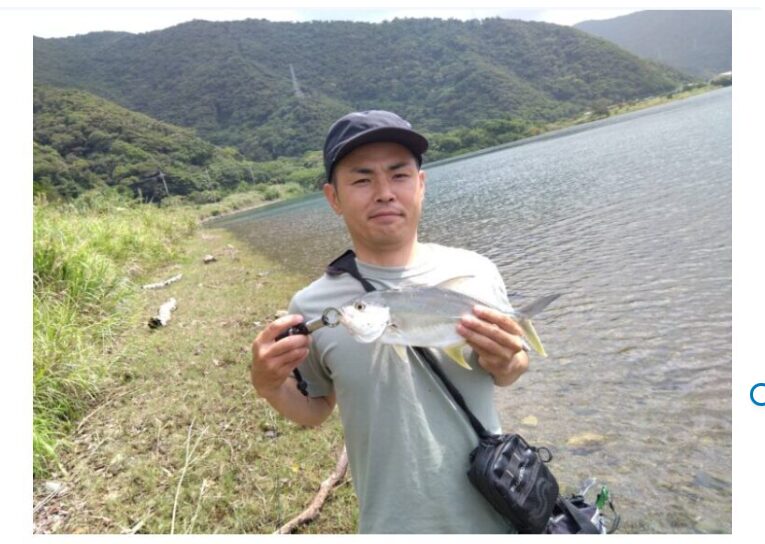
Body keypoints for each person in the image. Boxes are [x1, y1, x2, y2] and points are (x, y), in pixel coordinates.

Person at [250, 110, 530, 533]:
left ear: (421, 184)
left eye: (399, 175)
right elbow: (315, 409)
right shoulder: (312, 305)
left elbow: (511, 370)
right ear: (333, 198)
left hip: (497, 514)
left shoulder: (476, 272)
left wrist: (510, 362)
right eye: (362, 180)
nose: (384, 193)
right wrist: (269, 385)